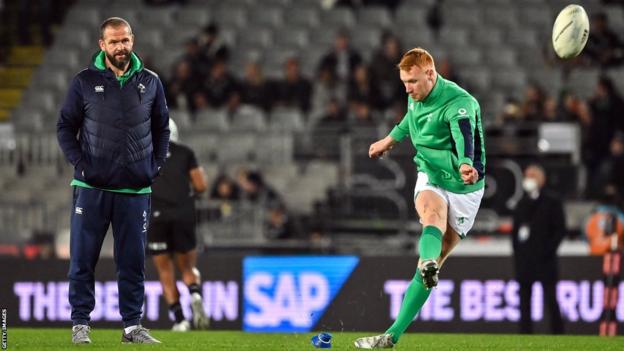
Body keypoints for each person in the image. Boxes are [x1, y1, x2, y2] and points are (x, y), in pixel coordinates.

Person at [354, 47, 485, 349]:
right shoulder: (416, 94)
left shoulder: (459, 102)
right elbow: (410, 120)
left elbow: (465, 134)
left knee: (435, 258)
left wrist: (466, 163)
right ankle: (426, 264)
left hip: (465, 187)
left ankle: (393, 333)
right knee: (431, 216)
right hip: (430, 173)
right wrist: (389, 139)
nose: (408, 89)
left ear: (430, 73)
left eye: (412, 81)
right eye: (404, 83)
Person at [56, 17, 169, 344]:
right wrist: (81, 164)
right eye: (114, 41)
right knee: (82, 259)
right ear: (102, 44)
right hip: (91, 188)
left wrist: (155, 166)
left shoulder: (151, 82)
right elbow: (65, 127)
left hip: (135, 190)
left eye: (125, 40)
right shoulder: (84, 82)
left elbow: (162, 128)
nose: (121, 47)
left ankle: (132, 327)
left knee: (133, 263)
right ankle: (80, 324)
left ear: (132, 41)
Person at [147, 119, 209, 332]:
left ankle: (180, 320)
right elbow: (201, 185)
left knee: (165, 270)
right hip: (183, 213)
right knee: (188, 268)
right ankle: (194, 293)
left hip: (156, 216)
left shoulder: (147, 154)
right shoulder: (185, 152)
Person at [511, 164, 565, 334]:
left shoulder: (552, 202)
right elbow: (515, 233)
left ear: (542, 179)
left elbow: (559, 230)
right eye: (527, 176)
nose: (529, 179)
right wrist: (519, 254)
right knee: (524, 303)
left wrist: (547, 251)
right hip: (525, 262)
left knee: (551, 300)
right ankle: (525, 335)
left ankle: (558, 335)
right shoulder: (521, 203)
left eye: (532, 175)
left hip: (545, 261)